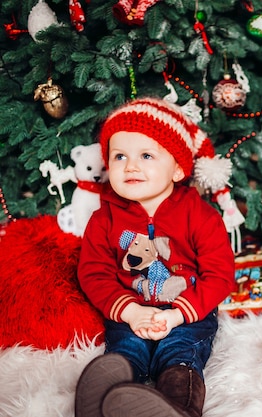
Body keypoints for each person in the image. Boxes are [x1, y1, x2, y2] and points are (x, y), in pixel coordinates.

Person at [75, 97, 236, 417]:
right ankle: (104, 401)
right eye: (119, 156)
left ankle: (177, 408)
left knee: (179, 355)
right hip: (130, 312)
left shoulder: (199, 216)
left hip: (187, 315)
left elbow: (219, 275)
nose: (130, 166)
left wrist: (177, 315)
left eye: (146, 155)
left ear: (177, 168)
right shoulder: (105, 218)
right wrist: (130, 311)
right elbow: (93, 272)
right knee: (125, 351)